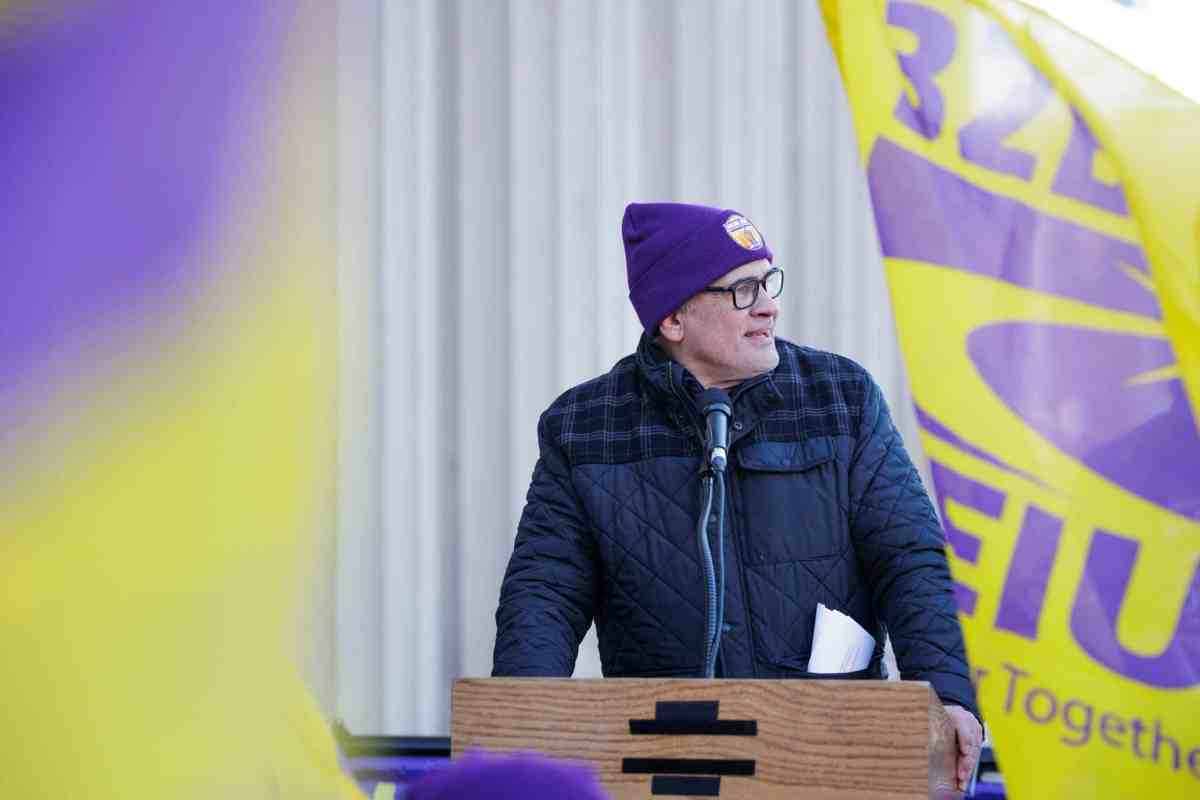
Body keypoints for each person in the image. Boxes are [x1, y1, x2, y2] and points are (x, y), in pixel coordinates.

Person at [493, 202, 983, 789]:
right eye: (743, 290)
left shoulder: (840, 399)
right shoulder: (585, 426)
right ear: (673, 319)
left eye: (767, 282)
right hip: (667, 761)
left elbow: (910, 559)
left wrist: (950, 694)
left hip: (829, 751)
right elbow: (543, 592)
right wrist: (520, 741)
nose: (769, 305)